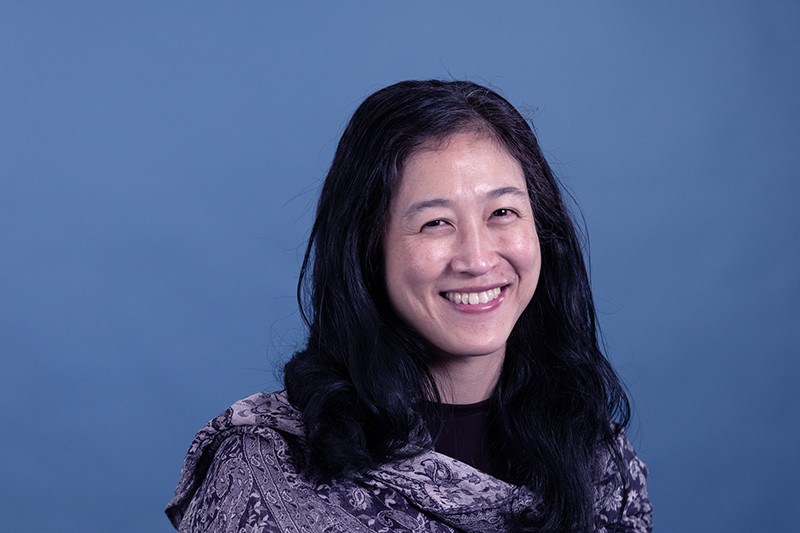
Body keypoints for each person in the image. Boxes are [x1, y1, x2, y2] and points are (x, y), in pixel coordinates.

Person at [166, 80, 652, 532]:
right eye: (436, 223)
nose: (478, 259)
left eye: (502, 213)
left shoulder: (599, 461)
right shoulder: (263, 468)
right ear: (367, 250)